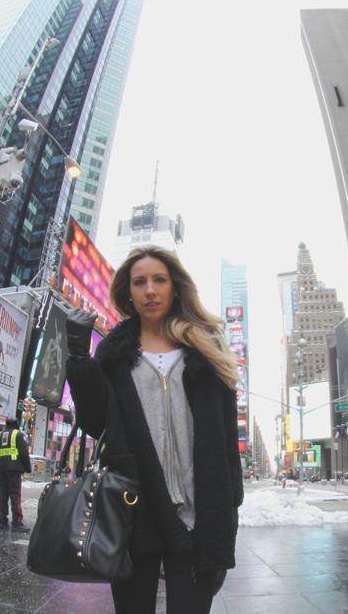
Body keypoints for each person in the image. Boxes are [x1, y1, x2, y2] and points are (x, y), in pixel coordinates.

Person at [65, 245, 243, 614]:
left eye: (159, 280)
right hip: (134, 512)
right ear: (127, 292)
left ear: (174, 287)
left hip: (199, 514)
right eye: (139, 282)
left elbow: (226, 441)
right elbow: (93, 422)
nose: (150, 290)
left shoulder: (206, 350)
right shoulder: (114, 354)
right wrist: (80, 356)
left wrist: (230, 510)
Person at [0, 415, 31, 531]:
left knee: (3, 495)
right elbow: (24, 453)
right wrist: (27, 468)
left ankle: (3, 521)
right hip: (14, 470)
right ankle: (17, 522)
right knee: (15, 495)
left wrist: (1, 461)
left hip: (1, 469)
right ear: (16, 424)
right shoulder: (18, 435)